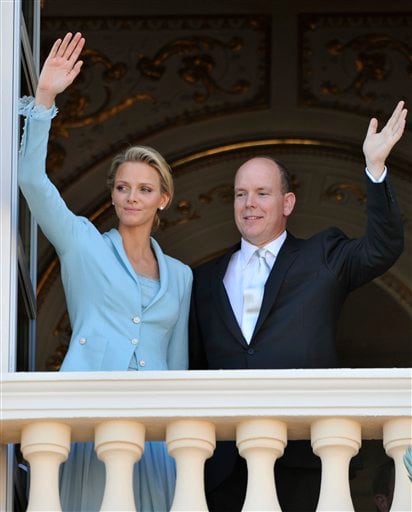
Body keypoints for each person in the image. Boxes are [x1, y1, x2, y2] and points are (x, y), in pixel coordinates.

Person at [189, 99, 406, 511]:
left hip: (304, 460)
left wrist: (375, 168)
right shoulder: (203, 279)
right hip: (223, 468)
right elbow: (195, 365)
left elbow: (383, 248)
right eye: (240, 194)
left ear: (287, 204)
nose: (249, 203)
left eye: (262, 193)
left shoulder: (322, 254)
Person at [18, 32, 192, 511]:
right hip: (90, 413)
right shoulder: (83, 244)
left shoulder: (180, 276)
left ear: (163, 199)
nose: (131, 196)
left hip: (154, 432)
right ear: (113, 195)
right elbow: (31, 180)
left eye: (144, 188)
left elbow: (176, 367)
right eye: (122, 187)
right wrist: (45, 98)